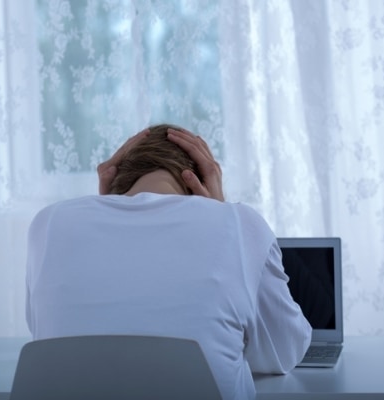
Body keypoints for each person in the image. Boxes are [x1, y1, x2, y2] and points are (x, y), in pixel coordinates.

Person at [25, 124, 312, 399]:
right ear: (201, 184)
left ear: (115, 182)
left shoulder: (49, 223)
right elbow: (284, 351)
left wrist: (108, 208)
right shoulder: (238, 224)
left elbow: (48, 334)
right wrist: (219, 213)